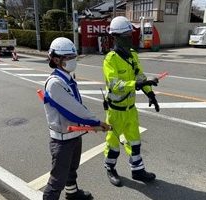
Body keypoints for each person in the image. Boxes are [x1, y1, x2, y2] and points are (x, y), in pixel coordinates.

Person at [42, 37, 110, 200]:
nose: (73, 61)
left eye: (74, 57)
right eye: (69, 58)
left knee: (71, 169)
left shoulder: (68, 78)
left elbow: (76, 106)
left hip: (73, 133)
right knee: (57, 179)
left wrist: (89, 124)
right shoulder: (55, 83)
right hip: (62, 138)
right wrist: (96, 122)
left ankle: (72, 194)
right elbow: (73, 110)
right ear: (56, 59)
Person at [102, 16, 160, 187]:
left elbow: (140, 76)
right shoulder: (110, 59)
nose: (130, 38)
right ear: (117, 37)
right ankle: (110, 168)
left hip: (130, 110)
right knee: (113, 144)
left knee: (134, 141)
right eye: (126, 35)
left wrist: (150, 94)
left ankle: (137, 170)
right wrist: (137, 84)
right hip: (116, 111)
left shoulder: (133, 55)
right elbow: (115, 85)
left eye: (130, 34)